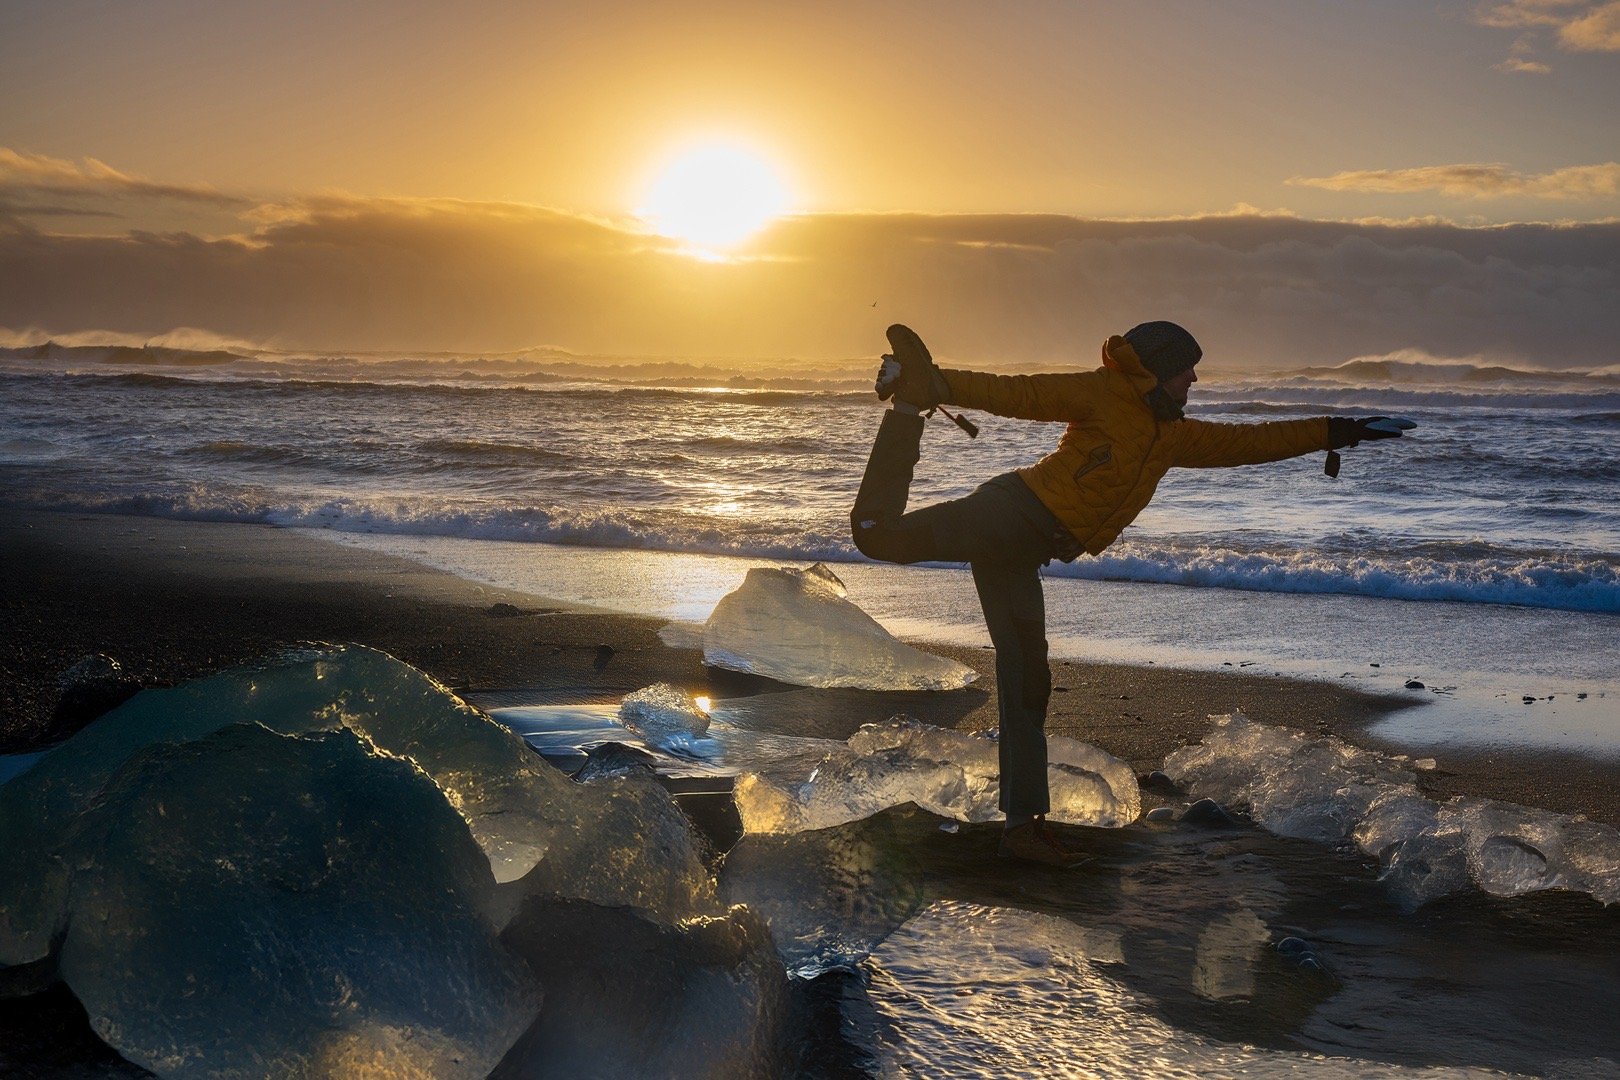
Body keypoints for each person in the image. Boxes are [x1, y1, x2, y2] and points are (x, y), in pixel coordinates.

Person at [850, 321, 1404, 866]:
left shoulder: (1170, 434)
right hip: (1006, 514)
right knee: (876, 536)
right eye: (1186, 369)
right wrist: (937, 386)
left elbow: (1248, 441)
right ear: (1159, 370)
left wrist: (1337, 431)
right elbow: (1015, 392)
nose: (1193, 380)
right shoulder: (1101, 393)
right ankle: (907, 406)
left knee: (1027, 678)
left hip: (1022, 548)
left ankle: (1022, 828)